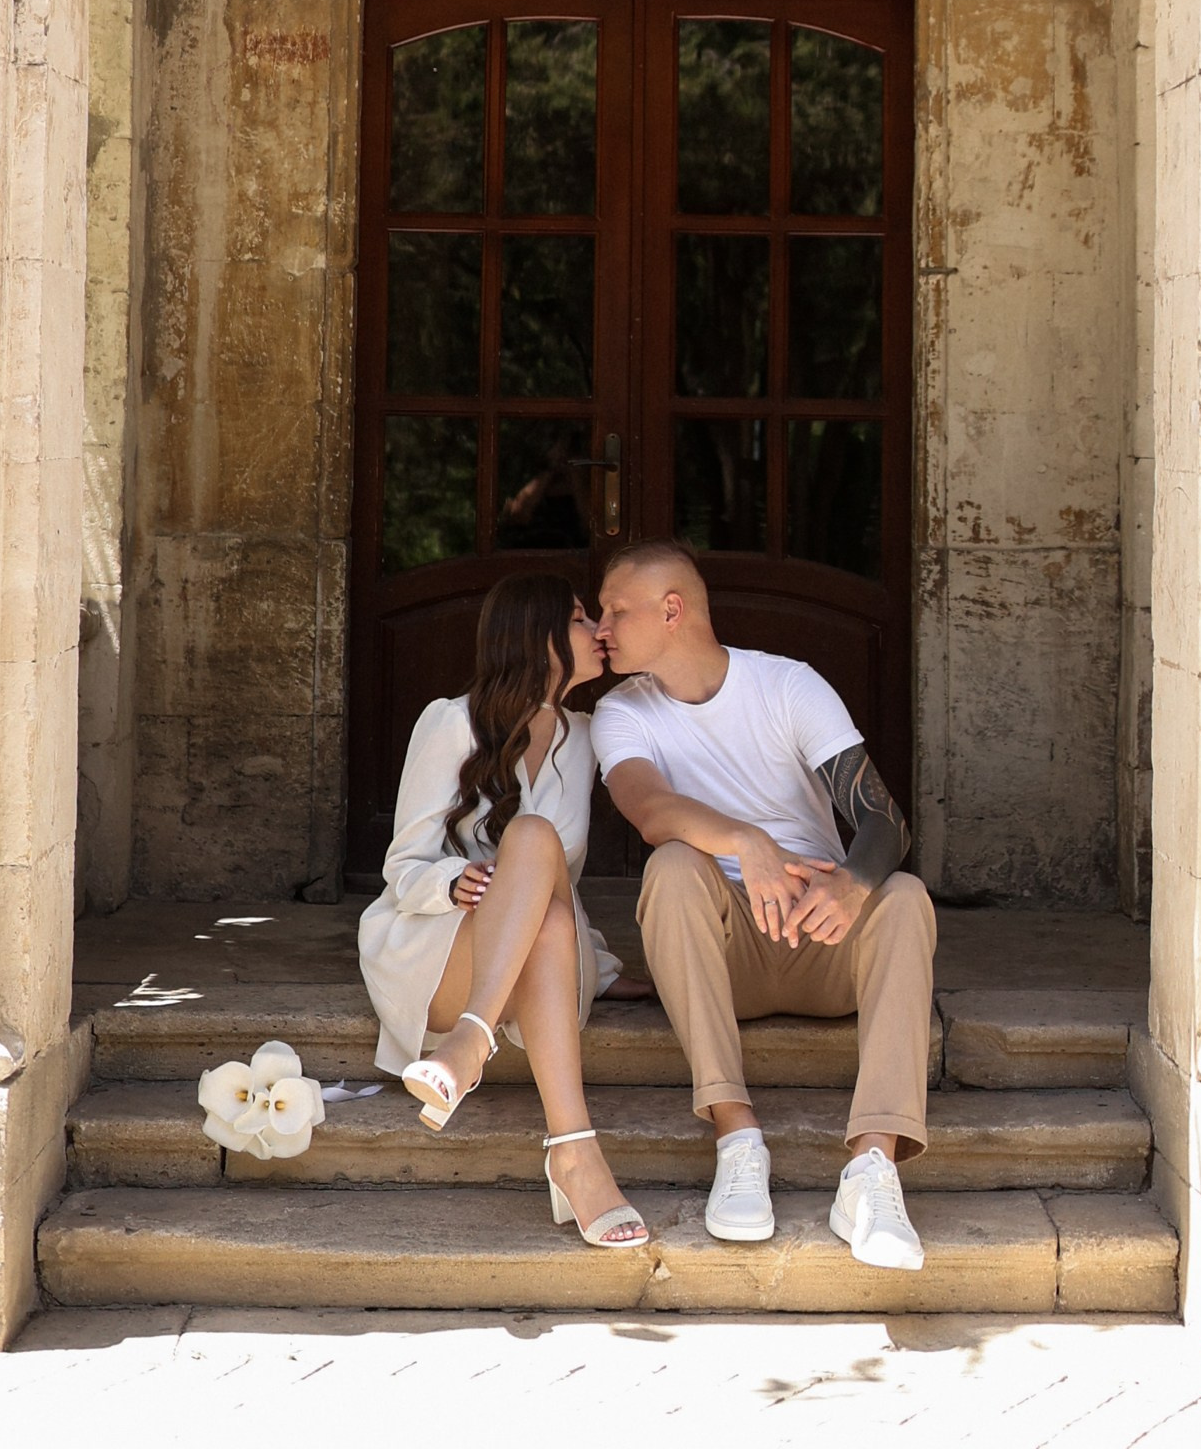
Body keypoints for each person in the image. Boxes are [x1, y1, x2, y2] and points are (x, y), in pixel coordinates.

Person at [592, 539, 932, 1272]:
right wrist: (746, 841)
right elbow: (649, 809)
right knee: (674, 865)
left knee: (902, 895)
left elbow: (885, 822)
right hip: (725, 954)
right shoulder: (620, 714)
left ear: (672, 610)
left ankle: (873, 1169)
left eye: (616, 609)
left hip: (823, 940)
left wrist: (853, 883)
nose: (601, 626)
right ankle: (736, 1134)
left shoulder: (786, 686)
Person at [357, 572, 648, 1249]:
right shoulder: (451, 723)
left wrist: (601, 967)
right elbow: (402, 868)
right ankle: (574, 1152)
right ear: (538, 638)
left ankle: (473, 1045)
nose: (599, 631)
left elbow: (554, 888)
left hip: (536, 967)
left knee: (542, 875)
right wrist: (452, 880)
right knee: (534, 837)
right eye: (581, 619)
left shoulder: (585, 736)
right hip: (442, 953)